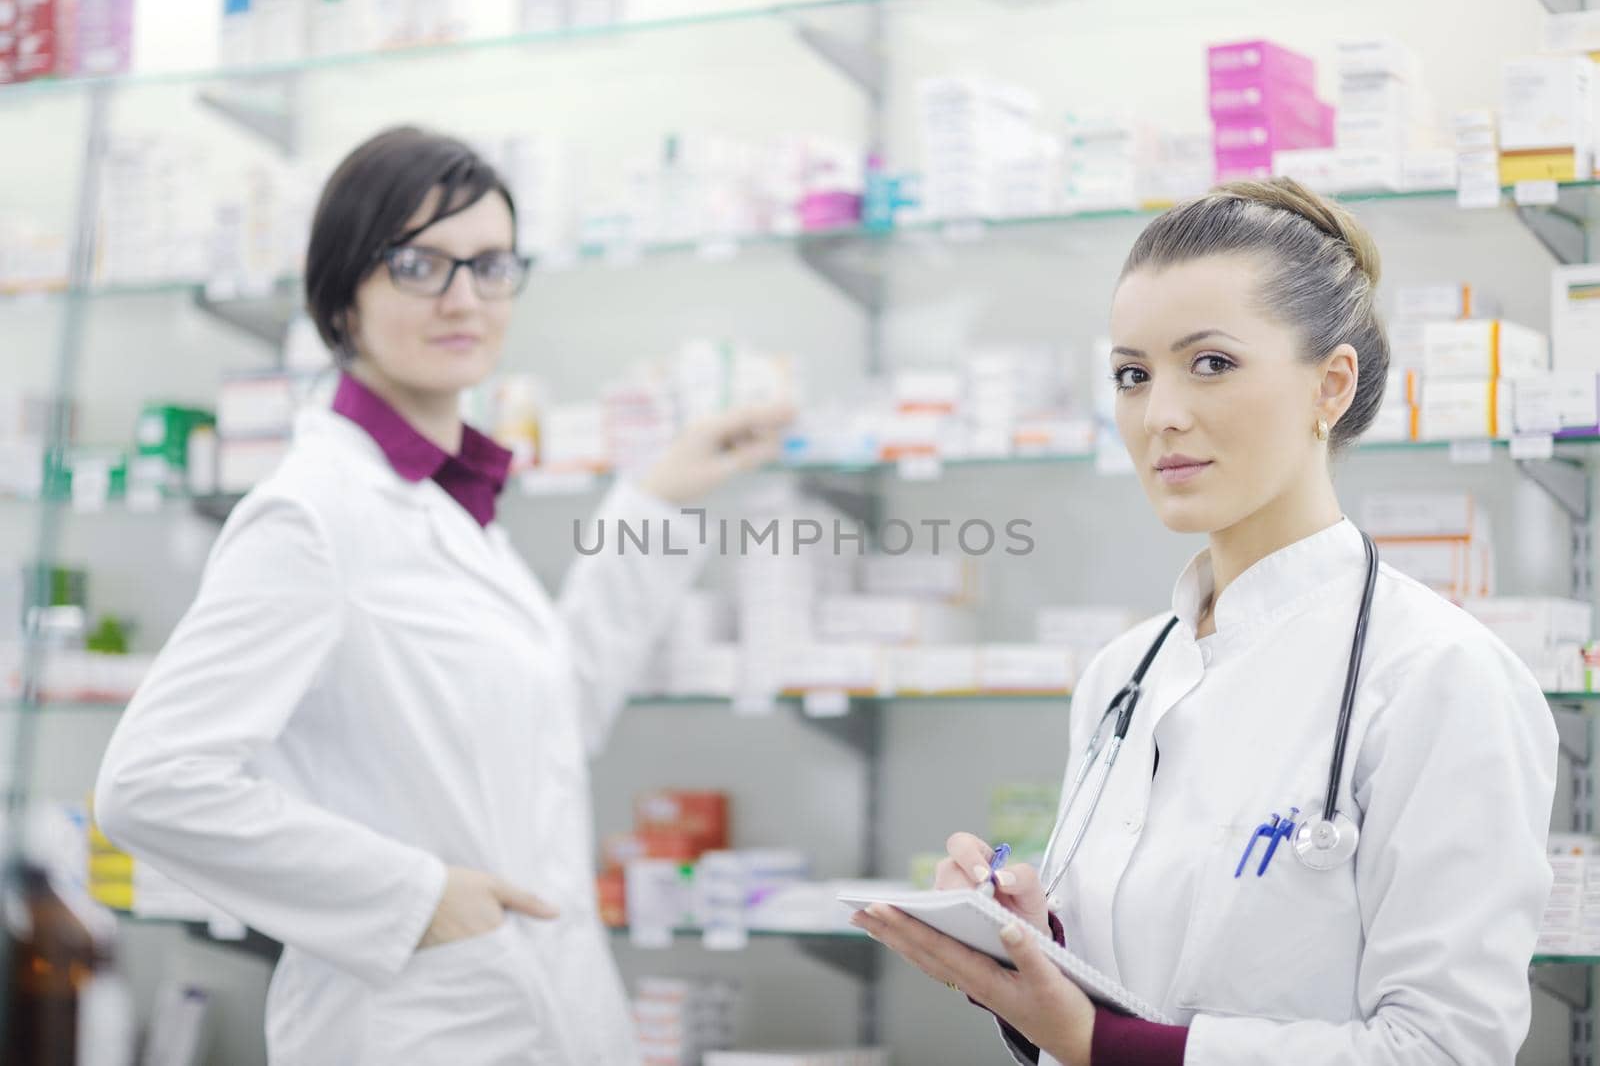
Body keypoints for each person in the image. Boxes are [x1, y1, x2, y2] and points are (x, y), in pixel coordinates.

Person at [93, 126, 790, 1065]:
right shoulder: (311, 515)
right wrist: (419, 898)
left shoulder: (447, 505)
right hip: (413, 1022)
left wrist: (654, 499)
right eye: (420, 263)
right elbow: (151, 785)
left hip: (545, 1006)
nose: (465, 298)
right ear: (345, 289)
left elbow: (555, 715)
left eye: (492, 264)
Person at [852, 177, 1559, 1065]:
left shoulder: (1441, 675)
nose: (1162, 415)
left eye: (1212, 363)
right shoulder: (1123, 673)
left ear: (1331, 385)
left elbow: (1445, 1049)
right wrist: (1032, 945)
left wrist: (1099, 1043)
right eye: (1133, 375)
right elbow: (1129, 981)